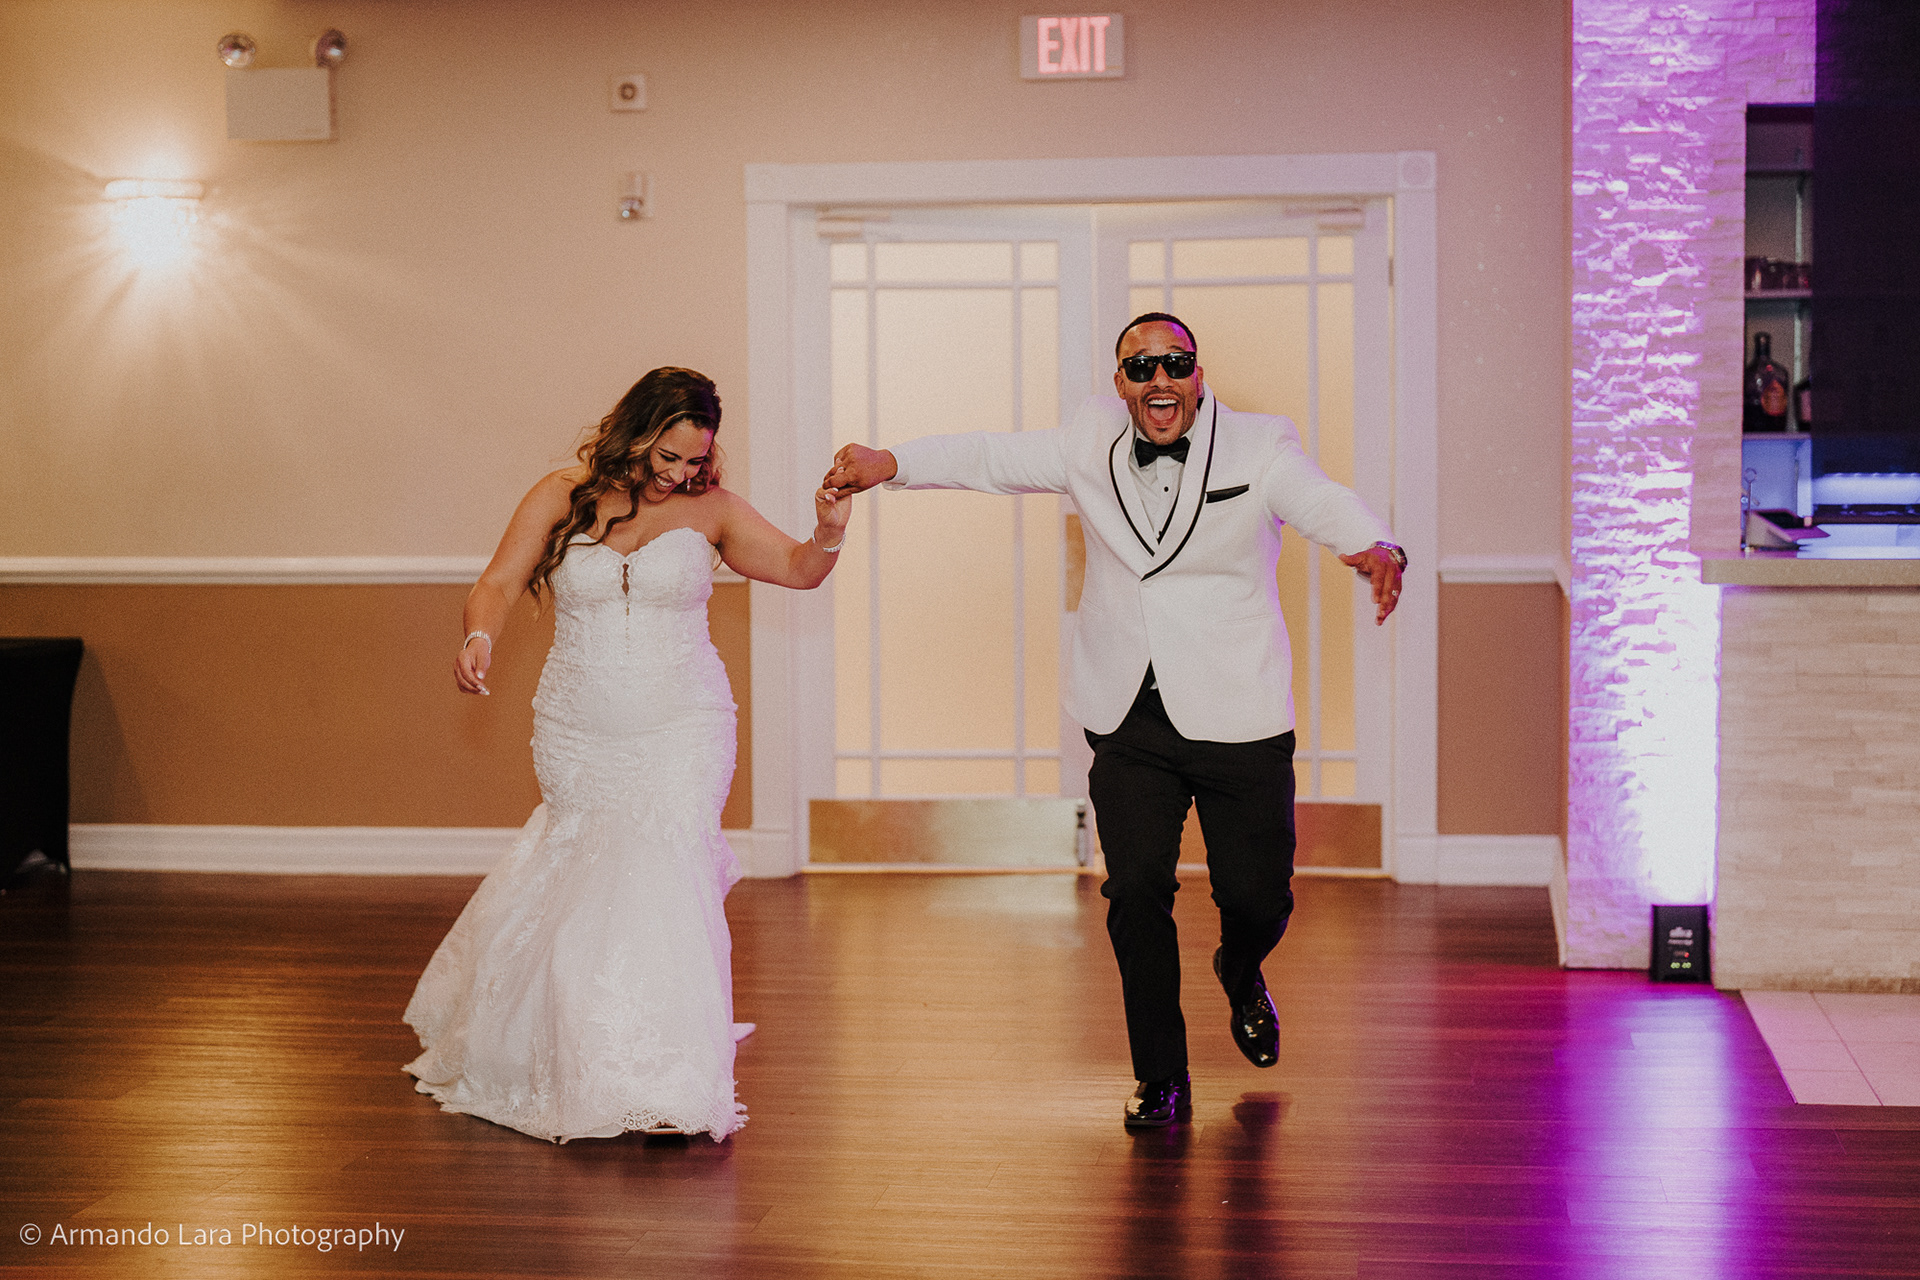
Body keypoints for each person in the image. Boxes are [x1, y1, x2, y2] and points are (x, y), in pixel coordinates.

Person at [824, 314, 1404, 1130]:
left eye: (1175, 364)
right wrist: (893, 462)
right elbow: (991, 457)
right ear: (1121, 381)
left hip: (1237, 713)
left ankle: (1241, 970)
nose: (1159, 380)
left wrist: (1375, 544)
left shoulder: (1261, 444)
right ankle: (1161, 1077)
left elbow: (1319, 499)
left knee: (1257, 898)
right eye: (1140, 368)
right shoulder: (1088, 438)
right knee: (1134, 891)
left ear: (1197, 373)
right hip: (1129, 714)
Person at [404, 366, 850, 1142]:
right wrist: (478, 635)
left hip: (684, 724)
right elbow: (499, 583)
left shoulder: (715, 509)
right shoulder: (562, 495)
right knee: (587, 876)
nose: (680, 473)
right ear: (634, 432)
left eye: (695, 459)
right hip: (577, 726)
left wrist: (830, 528)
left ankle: (667, 1080)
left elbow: (797, 569)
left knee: (665, 873)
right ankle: (582, 1056)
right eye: (668, 455)